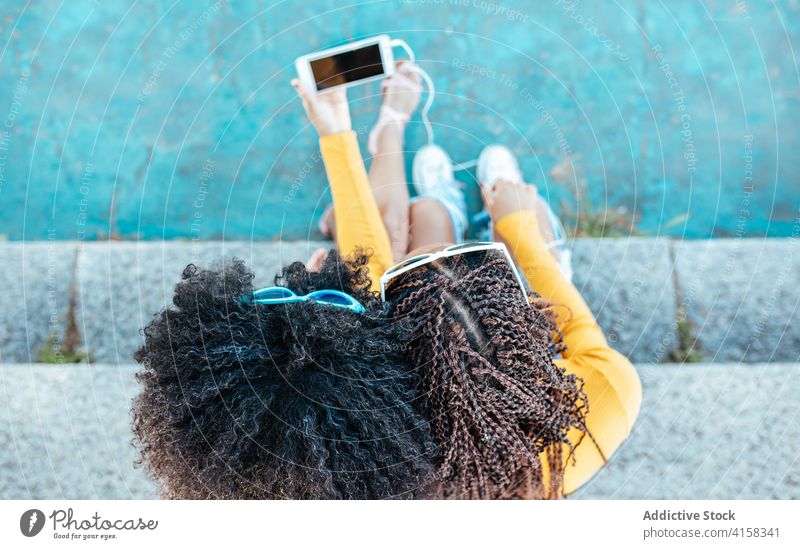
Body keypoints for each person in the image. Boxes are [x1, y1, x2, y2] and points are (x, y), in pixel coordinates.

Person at [292, 61, 642, 498]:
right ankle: (495, 210)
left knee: (424, 220)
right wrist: (517, 227)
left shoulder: (380, 427)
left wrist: (341, 134)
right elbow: (577, 329)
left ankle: (443, 209)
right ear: (529, 326)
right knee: (520, 228)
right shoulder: (609, 393)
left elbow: (372, 263)